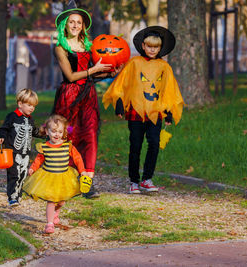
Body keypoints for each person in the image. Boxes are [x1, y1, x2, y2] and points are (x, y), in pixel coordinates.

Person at [102, 26, 184, 194]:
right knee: (135, 146)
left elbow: (169, 90)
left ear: (160, 48)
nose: (152, 49)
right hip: (136, 111)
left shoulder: (164, 67)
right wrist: (119, 103)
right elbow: (122, 84)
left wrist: (168, 112)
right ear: (143, 46)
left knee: (154, 143)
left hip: (156, 112)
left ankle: (147, 178)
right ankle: (133, 181)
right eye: (149, 46)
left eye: (156, 47)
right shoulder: (134, 63)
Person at [53, 7, 116, 198]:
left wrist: (110, 72)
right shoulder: (60, 47)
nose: (75, 25)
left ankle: (87, 182)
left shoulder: (88, 46)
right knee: (69, 135)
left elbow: (93, 75)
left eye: (78, 22)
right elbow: (71, 76)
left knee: (90, 135)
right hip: (69, 98)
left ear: (83, 26)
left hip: (88, 96)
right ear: (65, 25)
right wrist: (93, 70)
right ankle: (66, 178)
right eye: (71, 22)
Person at [23, 114, 87, 234]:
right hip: (49, 177)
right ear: (47, 132)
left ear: (64, 133)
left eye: (59, 132)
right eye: (53, 131)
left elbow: (77, 158)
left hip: (64, 177)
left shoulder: (67, 146)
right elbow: (39, 160)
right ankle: (49, 223)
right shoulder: (45, 147)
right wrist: (33, 168)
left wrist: (82, 170)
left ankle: (56, 213)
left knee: (61, 201)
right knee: (51, 200)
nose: (56, 134)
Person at [0, 88, 43, 206]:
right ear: (20, 104)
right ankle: (12, 197)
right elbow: (4, 128)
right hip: (13, 152)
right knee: (13, 174)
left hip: (26, 153)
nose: (32, 108)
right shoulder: (12, 116)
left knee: (23, 175)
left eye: (33, 106)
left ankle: (18, 195)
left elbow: (34, 131)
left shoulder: (30, 119)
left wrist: (45, 135)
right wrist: (1, 136)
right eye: (29, 105)